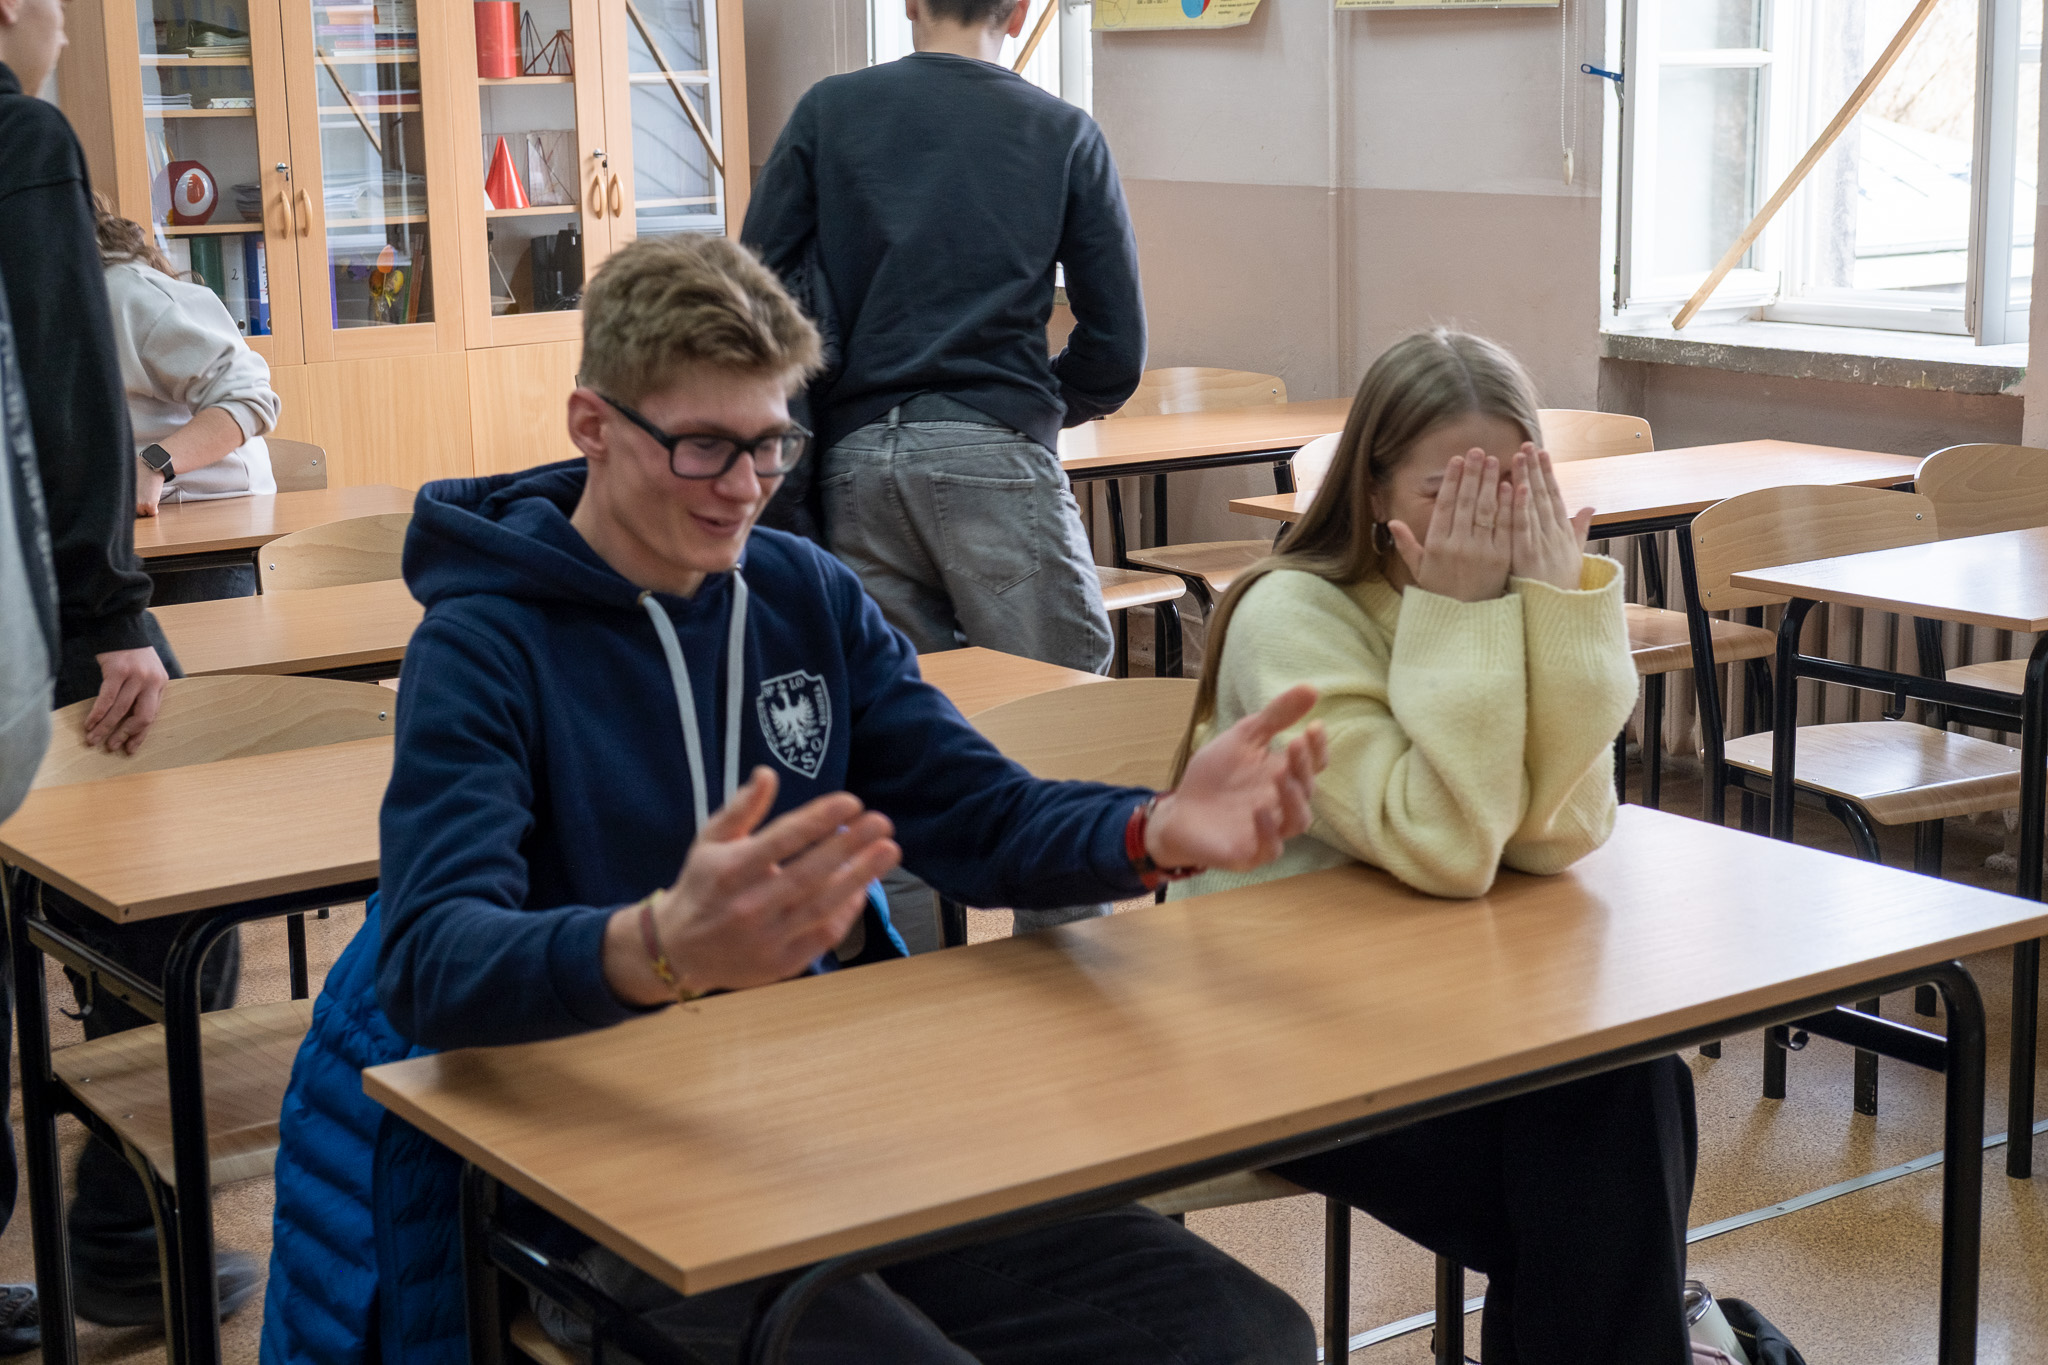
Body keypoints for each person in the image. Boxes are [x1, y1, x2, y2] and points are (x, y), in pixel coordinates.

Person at [261, 233, 1328, 1365]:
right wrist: (657, 948)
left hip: (818, 1116)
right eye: (704, 447)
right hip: (594, 1175)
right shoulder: (482, 643)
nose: (744, 488)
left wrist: (1153, 827)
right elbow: (430, 963)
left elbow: (976, 816)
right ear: (593, 426)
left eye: (770, 444)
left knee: (1244, 1334)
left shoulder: (803, 592)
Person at [1171, 330, 1698, 1365]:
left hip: (1444, 1006)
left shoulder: (1490, 601)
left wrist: (1559, 614)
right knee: (1595, 1194)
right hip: (1283, 1026)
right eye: (1444, 488)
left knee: (1631, 1089)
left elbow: (1559, 834)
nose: (1479, 515)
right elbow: (1448, 847)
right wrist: (1462, 617)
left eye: (1508, 484)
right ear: (1370, 490)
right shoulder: (1292, 615)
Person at [742, 0, 1144, 942]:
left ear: (909, 4)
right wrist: (1033, 406)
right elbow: (1116, 349)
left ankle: (915, 973)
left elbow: (751, 292)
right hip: (994, 453)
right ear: (1018, 10)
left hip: (852, 460)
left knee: (895, 738)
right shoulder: (1062, 132)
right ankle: (1073, 962)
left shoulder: (828, 111)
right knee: (1061, 721)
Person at [2, 0, 260, 1336]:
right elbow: (61, 387)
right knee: (177, 913)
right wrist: (110, 607)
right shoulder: (22, 139)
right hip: (37, 614)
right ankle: (119, 1236)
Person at [95, 197, 280, 602]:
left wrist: (154, 463)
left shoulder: (128, 295)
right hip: (121, 527)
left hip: (210, 525)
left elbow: (249, 399)